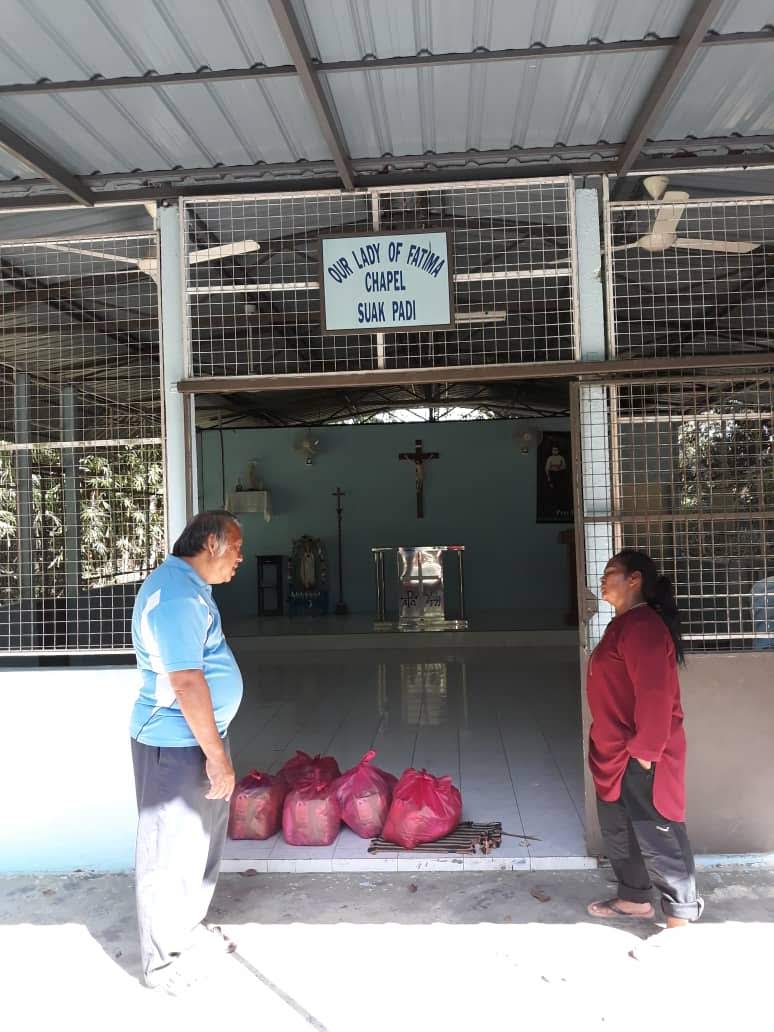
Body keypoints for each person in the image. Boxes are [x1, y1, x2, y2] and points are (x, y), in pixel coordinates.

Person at [129, 510, 244, 992]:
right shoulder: (176, 595)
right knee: (168, 856)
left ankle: (186, 933)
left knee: (198, 844)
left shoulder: (190, 587)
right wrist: (216, 757)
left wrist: (216, 749)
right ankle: (163, 964)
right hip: (175, 745)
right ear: (213, 544)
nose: (240, 559)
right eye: (236, 548)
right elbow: (187, 681)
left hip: (196, 738)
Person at [586, 549, 703, 932]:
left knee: (657, 828)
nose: (603, 579)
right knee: (619, 828)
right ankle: (634, 899)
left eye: (611, 572)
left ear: (634, 580)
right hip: (614, 752)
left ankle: (679, 919)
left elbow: (656, 696)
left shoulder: (643, 628)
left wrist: (646, 754)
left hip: (642, 752)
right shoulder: (622, 624)